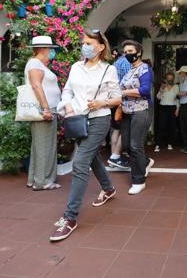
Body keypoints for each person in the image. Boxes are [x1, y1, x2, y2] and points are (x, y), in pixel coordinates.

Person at [50, 29, 121, 242]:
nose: (85, 46)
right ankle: (108, 189)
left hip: (99, 118)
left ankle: (70, 218)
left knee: (80, 163)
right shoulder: (75, 67)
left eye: (90, 43)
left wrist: (102, 102)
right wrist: (68, 107)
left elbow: (117, 98)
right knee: (92, 157)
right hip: (77, 119)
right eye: (84, 42)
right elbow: (68, 91)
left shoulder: (108, 69)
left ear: (101, 47)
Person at [113, 39, 154, 195]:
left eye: (130, 52)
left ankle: (138, 180)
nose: (128, 54)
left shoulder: (145, 69)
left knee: (136, 145)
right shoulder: (129, 71)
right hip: (127, 111)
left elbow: (144, 90)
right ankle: (146, 162)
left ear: (139, 52)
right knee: (128, 146)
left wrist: (123, 92)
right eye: (126, 52)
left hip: (141, 110)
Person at [24, 36, 62, 191]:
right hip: (44, 109)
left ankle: (34, 179)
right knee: (45, 146)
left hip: (46, 108)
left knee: (40, 145)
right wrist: (46, 108)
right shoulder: (34, 63)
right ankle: (43, 182)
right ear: (43, 49)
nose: (52, 51)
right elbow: (36, 85)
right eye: (50, 48)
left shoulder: (38, 64)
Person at [154, 72, 179, 152]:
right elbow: (158, 97)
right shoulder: (163, 86)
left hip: (172, 107)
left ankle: (170, 143)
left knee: (171, 126)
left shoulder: (176, 87)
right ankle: (158, 145)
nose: (170, 80)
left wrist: (177, 109)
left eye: (171, 78)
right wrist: (161, 89)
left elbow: (177, 99)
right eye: (168, 78)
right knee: (161, 126)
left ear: (173, 79)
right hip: (163, 107)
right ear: (166, 79)